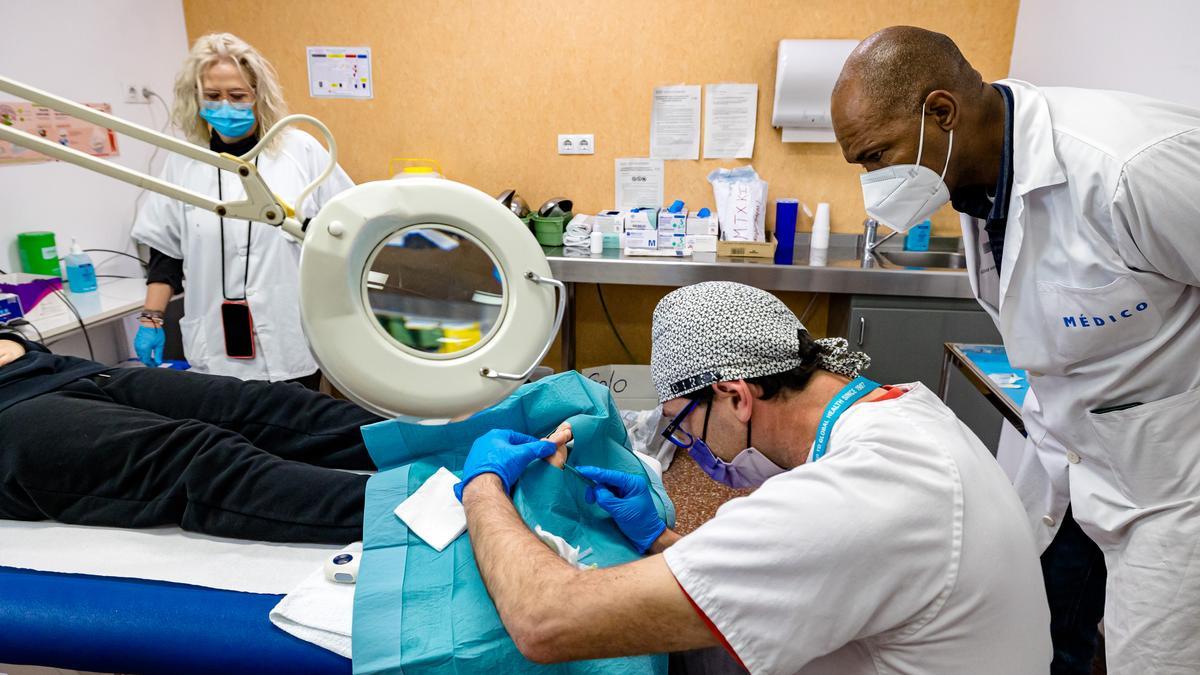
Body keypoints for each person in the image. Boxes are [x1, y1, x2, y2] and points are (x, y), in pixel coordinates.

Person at [830, 26, 1200, 675]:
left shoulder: (1127, 166)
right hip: (1071, 462)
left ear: (941, 112)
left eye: (875, 156)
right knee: (1043, 640)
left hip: (1175, 485)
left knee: (1153, 657)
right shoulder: (975, 181)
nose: (872, 181)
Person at [455, 282, 1050, 674]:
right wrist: (661, 541)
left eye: (682, 427)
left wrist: (482, 484)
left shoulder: (854, 496)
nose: (688, 448)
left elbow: (544, 622)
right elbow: (816, 565)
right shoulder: (905, 411)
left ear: (735, 395)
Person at [0, 329, 378, 544]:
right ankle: (422, 513)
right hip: (10, 411)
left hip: (52, 369)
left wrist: (14, 341)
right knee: (197, 457)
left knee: (268, 405)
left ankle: (434, 438)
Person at [131, 32, 354, 388]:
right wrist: (151, 318)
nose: (225, 106)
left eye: (237, 96)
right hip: (216, 342)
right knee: (231, 436)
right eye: (213, 96)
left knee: (298, 433)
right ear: (196, 98)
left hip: (290, 333)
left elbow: (346, 229)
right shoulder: (184, 162)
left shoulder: (301, 152)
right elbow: (165, 252)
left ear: (257, 95)